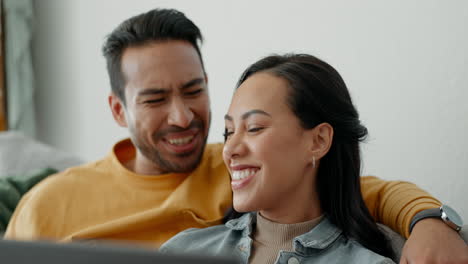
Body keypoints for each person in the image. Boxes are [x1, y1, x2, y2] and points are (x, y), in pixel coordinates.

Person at [4, 8, 467, 263]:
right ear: (117, 108)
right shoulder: (46, 206)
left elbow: (364, 190)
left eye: (194, 90)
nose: (183, 116)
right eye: (155, 99)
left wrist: (432, 221)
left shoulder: (247, 171)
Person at [160, 53, 397, 263]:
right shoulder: (182, 252)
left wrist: (429, 218)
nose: (230, 149)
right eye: (228, 132)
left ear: (318, 141)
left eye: (253, 128)